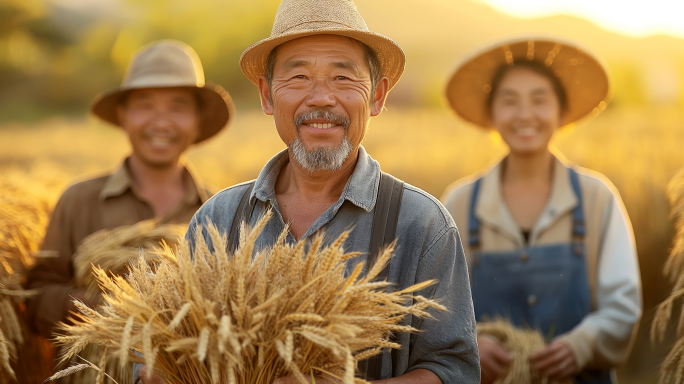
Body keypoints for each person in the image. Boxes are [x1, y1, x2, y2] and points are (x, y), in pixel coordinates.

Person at [135, 0, 480, 383]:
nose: (320, 98)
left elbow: (453, 369)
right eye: (298, 77)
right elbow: (159, 350)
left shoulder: (422, 223)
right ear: (266, 95)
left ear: (377, 95)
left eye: (343, 78)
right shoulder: (218, 218)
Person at [25, 40, 234, 380]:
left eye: (178, 107)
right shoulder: (79, 201)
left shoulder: (221, 210)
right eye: (144, 105)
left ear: (198, 121)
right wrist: (114, 308)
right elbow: (35, 299)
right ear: (123, 116)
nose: (161, 121)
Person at [441, 37, 641, 384]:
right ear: (491, 114)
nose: (525, 114)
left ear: (562, 112)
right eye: (509, 101)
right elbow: (437, 309)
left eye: (539, 100)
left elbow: (623, 304)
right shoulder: (459, 202)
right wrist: (470, 344)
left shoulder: (597, 198)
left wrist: (581, 345)